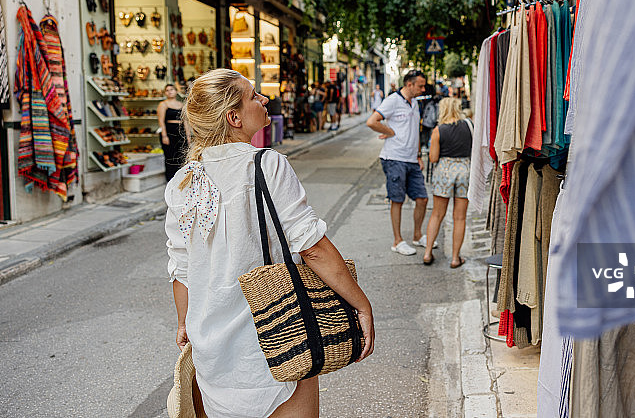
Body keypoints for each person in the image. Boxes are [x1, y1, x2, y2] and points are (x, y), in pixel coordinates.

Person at [166, 69, 375, 418]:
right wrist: (362, 304)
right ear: (234, 117)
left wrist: (183, 323)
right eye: (253, 96)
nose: (264, 99)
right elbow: (312, 247)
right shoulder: (266, 165)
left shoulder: (182, 183)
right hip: (276, 340)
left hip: (211, 352)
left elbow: (181, 268)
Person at [366, 70, 429, 256]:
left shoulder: (415, 103)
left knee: (422, 199)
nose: (423, 89)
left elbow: (415, 130)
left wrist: (418, 155)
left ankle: (417, 236)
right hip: (394, 158)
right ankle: (397, 241)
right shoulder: (393, 100)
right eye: (420, 86)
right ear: (409, 84)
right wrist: (390, 131)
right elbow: (372, 121)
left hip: (411, 159)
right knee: (397, 200)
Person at [422, 98, 472, 268]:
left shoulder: (438, 130)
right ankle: (455, 258)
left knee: (437, 214)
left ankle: (428, 253)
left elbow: (433, 158)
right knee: (459, 217)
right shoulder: (469, 125)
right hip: (465, 169)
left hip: (444, 171)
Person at [157, 83, 190, 181]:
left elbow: (185, 121)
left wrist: (188, 136)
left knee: (181, 155)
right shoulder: (163, 104)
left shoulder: (181, 104)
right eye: (167, 90)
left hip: (180, 131)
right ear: (165, 93)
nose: (170, 91)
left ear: (176, 91)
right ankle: (170, 179)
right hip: (169, 131)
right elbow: (161, 121)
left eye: (172, 89)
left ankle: (181, 179)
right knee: (170, 156)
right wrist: (164, 135)